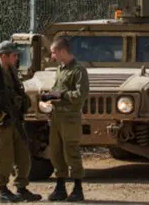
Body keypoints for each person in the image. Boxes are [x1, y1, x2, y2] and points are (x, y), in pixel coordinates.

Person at [0, 40, 42, 203]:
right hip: (2, 123)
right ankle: (3, 190)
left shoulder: (12, 71)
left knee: (23, 155)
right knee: (3, 157)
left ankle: (21, 188)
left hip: (16, 120)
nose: (16, 58)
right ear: (3, 56)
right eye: (13, 55)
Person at [40, 37, 90, 202]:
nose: (52, 55)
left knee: (71, 152)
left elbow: (80, 95)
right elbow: (58, 89)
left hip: (70, 118)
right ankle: (60, 187)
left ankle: (78, 188)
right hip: (56, 117)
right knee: (56, 153)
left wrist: (61, 95)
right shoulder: (60, 69)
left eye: (54, 52)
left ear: (62, 51)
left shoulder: (79, 70)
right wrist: (50, 96)